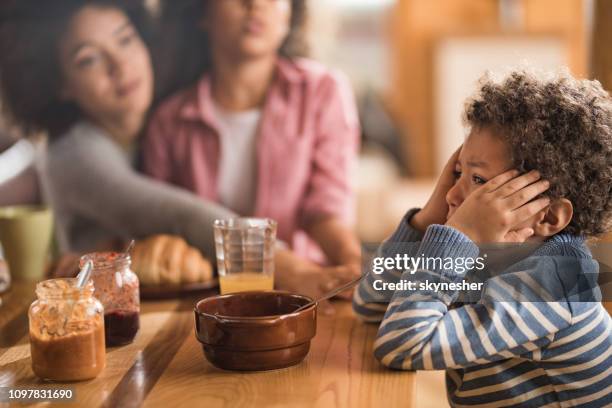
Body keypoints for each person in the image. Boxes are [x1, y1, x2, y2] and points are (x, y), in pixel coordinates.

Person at [0, 0, 355, 303]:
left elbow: (327, 204)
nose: (121, 67)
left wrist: (349, 261)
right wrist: (290, 267)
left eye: (125, 40)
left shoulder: (153, 117)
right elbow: (177, 216)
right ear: (57, 83)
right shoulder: (74, 153)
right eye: (89, 60)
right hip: (127, 314)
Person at [353, 70, 612, 406]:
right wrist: (425, 220)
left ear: (548, 216)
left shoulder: (552, 289)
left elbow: (403, 344)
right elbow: (372, 303)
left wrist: (451, 242)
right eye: (457, 173)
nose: (452, 195)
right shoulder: (492, 252)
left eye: (477, 179)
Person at [143, 0, 362, 290]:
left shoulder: (323, 92)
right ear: (201, 13)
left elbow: (326, 207)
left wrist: (352, 264)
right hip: (205, 297)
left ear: (289, 15)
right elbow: (158, 225)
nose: (256, 5)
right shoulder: (168, 119)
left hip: (303, 291)